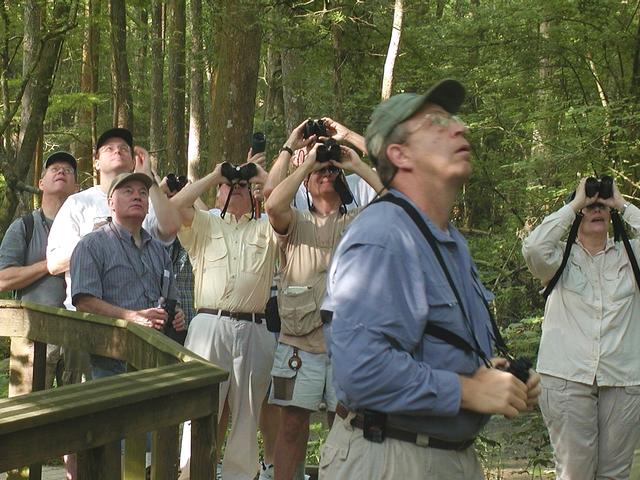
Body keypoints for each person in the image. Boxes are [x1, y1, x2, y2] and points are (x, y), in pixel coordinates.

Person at [320, 79, 540, 479]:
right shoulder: (383, 236)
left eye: (455, 119)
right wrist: (469, 391)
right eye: (436, 123)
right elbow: (360, 372)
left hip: (443, 458)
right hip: (392, 459)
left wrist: (493, 373)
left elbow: (429, 343)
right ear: (399, 154)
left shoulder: (446, 239)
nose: (459, 128)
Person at [264, 123, 383, 480]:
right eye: (320, 172)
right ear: (306, 182)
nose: (325, 174)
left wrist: (355, 162)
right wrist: (306, 159)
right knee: (292, 427)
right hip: (299, 346)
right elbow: (272, 202)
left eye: (331, 171)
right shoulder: (295, 221)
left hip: (348, 347)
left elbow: (399, 198)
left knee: (345, 427)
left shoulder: (360, 220)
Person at [167, 152, 278, 480]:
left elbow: (283, 203)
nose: (237, 188)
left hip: (255, 329)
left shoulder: (266, 228)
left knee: (247, 416)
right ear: (216, 194)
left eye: (243, 186)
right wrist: (216, 174)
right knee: (198, 413)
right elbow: (173, 207)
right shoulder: (205, 223)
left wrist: (260, 175)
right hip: (208, 325)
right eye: (230, 185)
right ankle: (191, 475)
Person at [522, 177, 640, 480]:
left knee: (615, 475)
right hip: (565, 378)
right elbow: (533, 247)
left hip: (623, 379)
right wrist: (576, 202)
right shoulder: (557, 258)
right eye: (589, 207)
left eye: (602, 206)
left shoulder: (631, 255)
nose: (595, 210)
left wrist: (622, 205)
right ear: (576, 215)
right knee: (575, 474)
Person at [70, 172, 185, 377]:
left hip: (157, 357)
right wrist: (131, 317)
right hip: (111, 359)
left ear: (148, 206)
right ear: (111, 203)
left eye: (143, 192)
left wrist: (177, 314)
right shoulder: (91, 245)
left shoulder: (159, 251)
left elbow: (171, 298)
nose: (137, 196)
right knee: (114, 410)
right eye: (128, 191)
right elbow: (84, 302)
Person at [0, 152, 77, 391]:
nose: (62, 170)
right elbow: (3, 279)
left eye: (68, 169)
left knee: (78, 414)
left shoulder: (88, 231)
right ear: (41, 183)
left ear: (76, 187)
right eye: (54, 168)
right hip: (32, 335)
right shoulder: (25, 226)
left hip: (80, 334)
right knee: (26, 414)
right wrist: (50, 264)